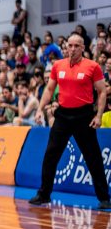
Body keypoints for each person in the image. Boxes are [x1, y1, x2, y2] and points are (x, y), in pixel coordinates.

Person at [30, 32, 111, 209]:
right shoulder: (57, 65)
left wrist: (98, 116)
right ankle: (44, 194)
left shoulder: (93, 66)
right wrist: (40, 109)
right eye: (70, 45)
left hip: (84, 116)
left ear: (83, 48)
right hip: (63, 116)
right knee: (51, 155)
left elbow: (102, 92)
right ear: (66, 47)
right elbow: (49, 90)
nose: (72, 49)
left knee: (93, 157)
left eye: (76, 46)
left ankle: (104, 198)